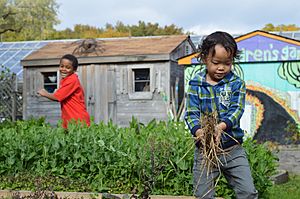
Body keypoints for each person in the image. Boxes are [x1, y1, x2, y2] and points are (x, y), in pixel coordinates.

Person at [184, 31, 258, 199]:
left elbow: (236, 110)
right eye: (216, 62)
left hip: (233, 149)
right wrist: (199, 132)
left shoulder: (236, 83)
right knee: (203, 195)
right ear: (204, 59)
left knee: (247, 192)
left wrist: (220, 127)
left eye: (227, 63)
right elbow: (191, 113)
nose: (221, 68)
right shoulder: (196, 83)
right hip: (206, 151)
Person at [38, 54, 90, 129]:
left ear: (74, 70)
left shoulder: (72, 80)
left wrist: (45, 93)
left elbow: (57, 97)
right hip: (70, 117)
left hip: (77, 118)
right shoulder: (66, 80)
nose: (63, 69)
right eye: (62, 66)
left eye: (68, 67)